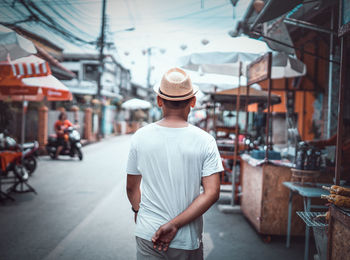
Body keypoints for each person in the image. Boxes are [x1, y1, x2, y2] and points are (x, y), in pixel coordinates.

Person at [126, 68, 223, 260]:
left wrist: (138, 211)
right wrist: (175, 224)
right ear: (193, 101)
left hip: (148, 232)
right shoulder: (205, 140)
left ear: (159, 100)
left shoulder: (140, 136)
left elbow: (131, 188)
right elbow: (212, 192)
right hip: (185, 238)